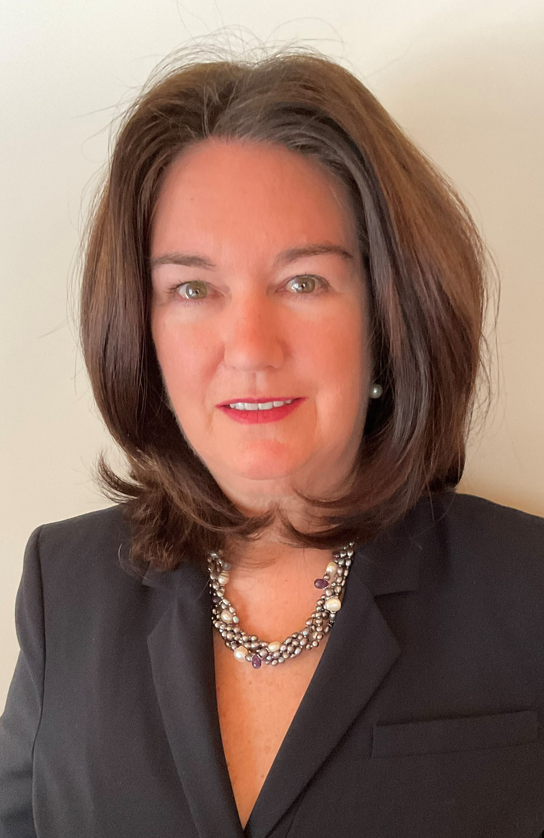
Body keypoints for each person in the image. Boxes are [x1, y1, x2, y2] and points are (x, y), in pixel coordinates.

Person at [1, 45, 543, 838]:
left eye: (304, 281)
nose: (249, 347)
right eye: (193, 288)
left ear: (390, 313)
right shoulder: (64, 588)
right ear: (141, 326)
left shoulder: (527, 588)